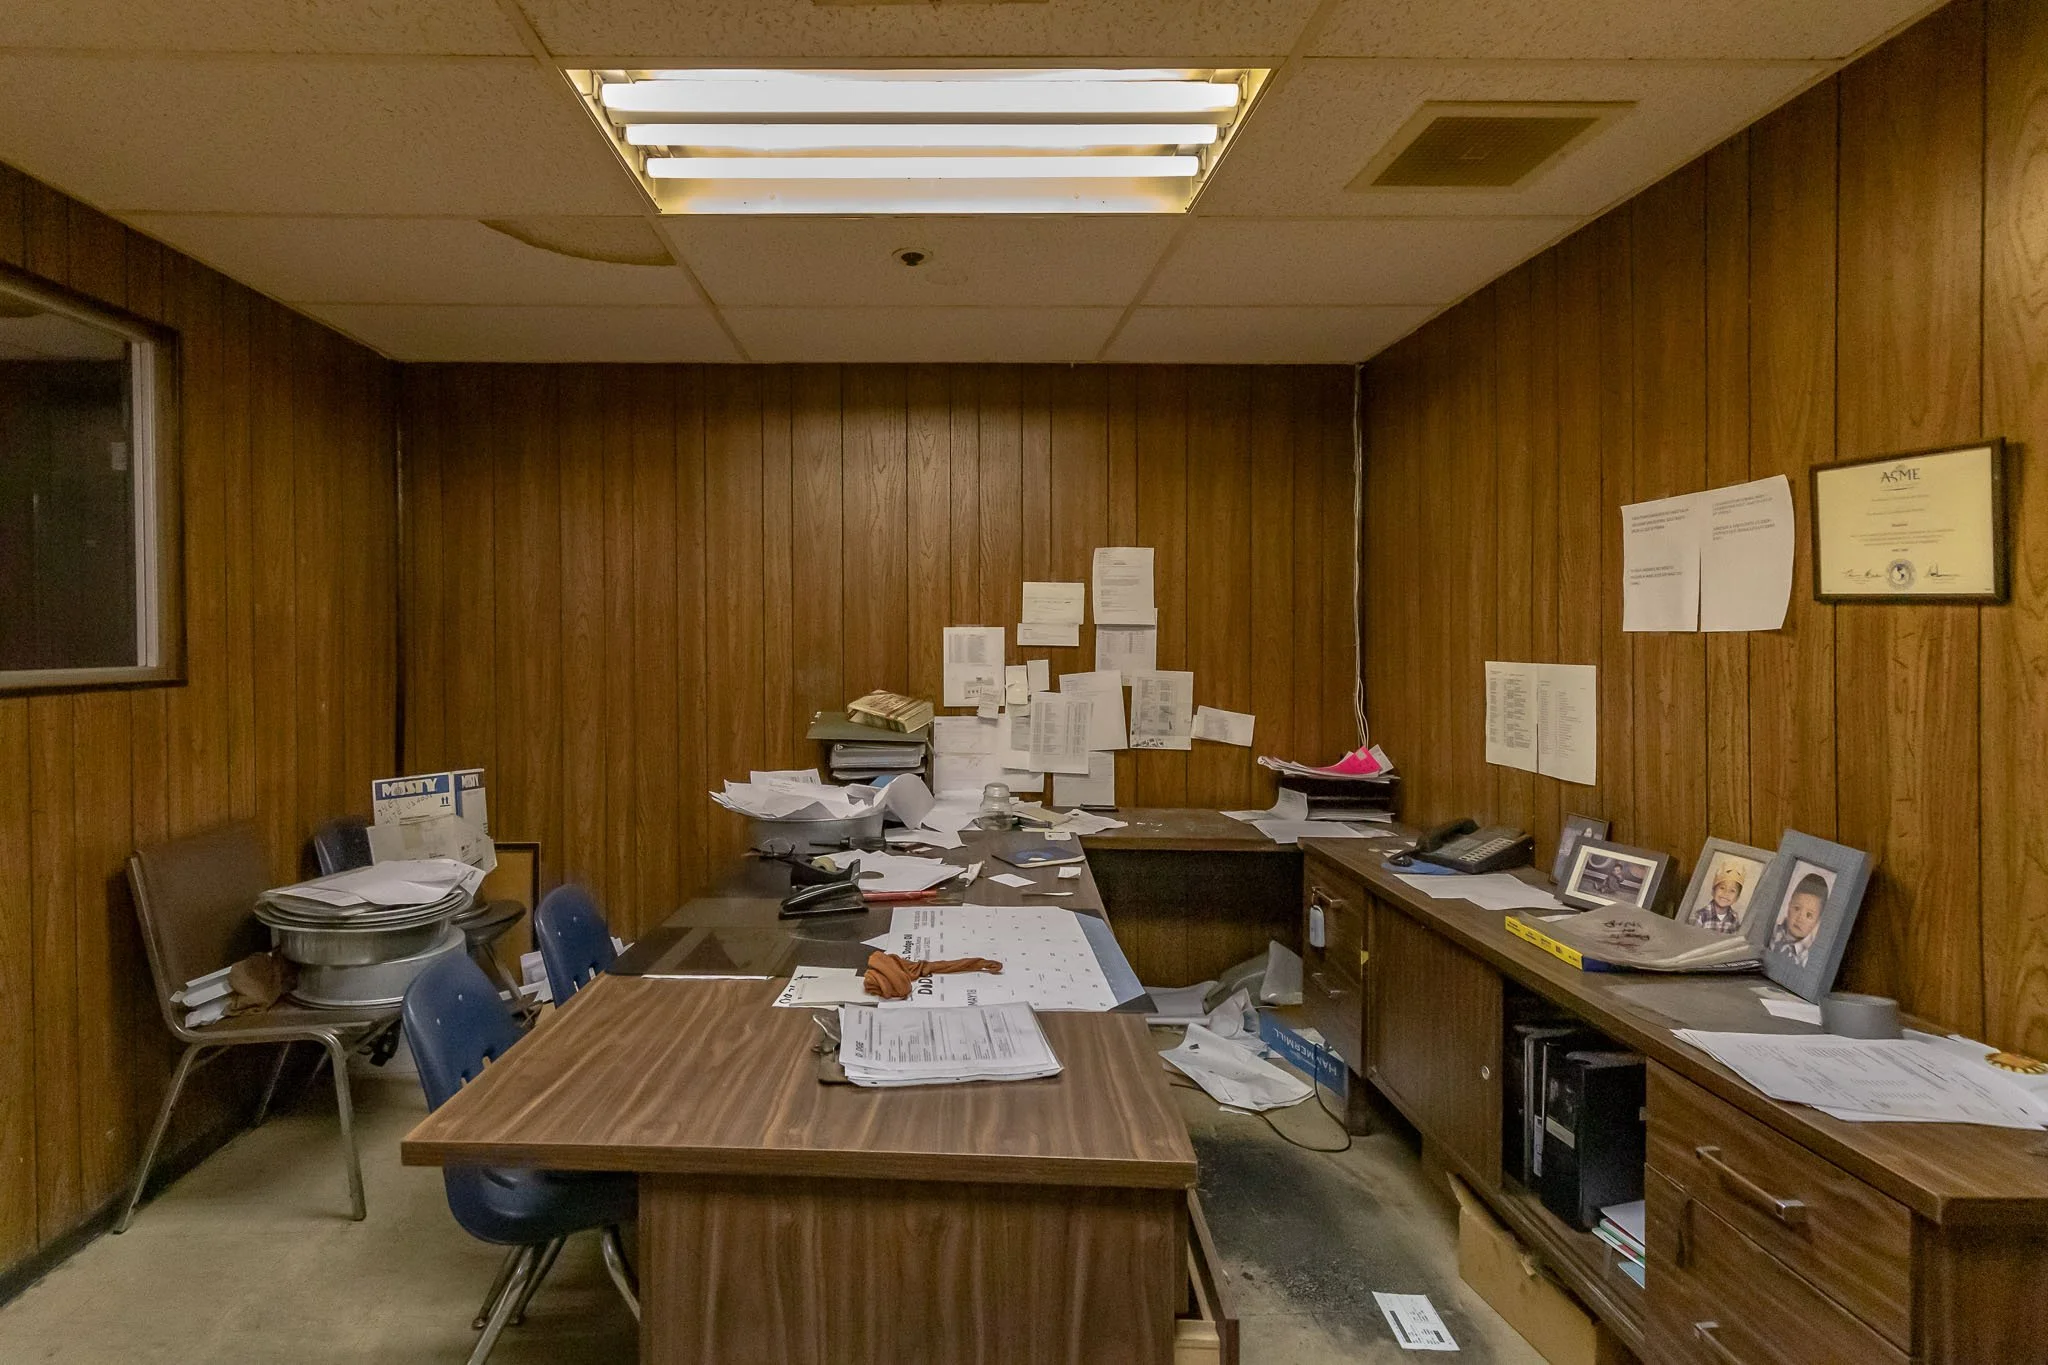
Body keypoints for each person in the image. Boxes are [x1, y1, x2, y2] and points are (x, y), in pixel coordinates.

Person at [1769, 872, 1828, 967]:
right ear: (1789, 904)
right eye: (1796, 908)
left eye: (1809, 915)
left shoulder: (1810, 957)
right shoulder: (1770, 931)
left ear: (1818, 920)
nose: (1800, 918)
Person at [1689, 865, 1747, 934]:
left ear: (1736, 898)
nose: (1726, 893)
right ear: (1713, 891)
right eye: (1722, 888)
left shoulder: (1735, 919)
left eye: (1732, 891)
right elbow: (1692, 938)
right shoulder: (1700, 916)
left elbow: (1734, 941)